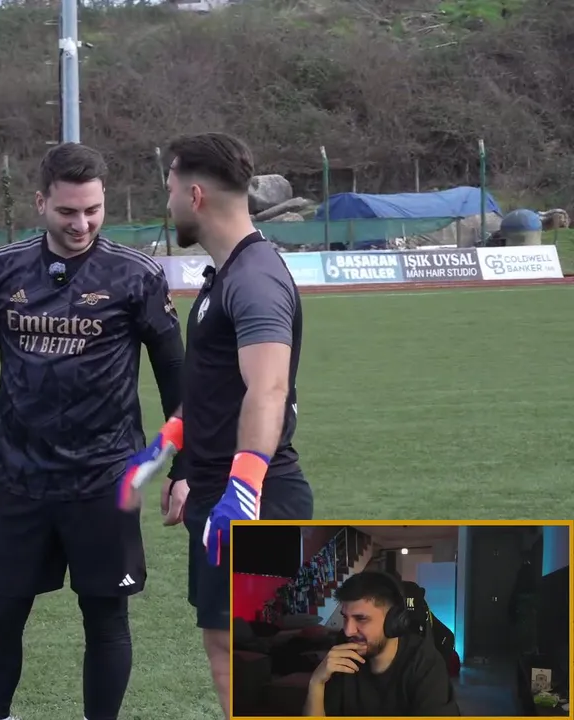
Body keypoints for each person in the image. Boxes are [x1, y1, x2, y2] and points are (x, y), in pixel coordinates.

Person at [0, 142, 186, 720]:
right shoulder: (1, 269)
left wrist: (185, 466)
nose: (81, 224)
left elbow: (176, 375)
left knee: (106, 618)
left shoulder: (136, 275)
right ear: (40, 203)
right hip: (18, 477)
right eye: (67, 211)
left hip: (105, 478)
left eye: (93, 210)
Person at [118, 132, 314, 719]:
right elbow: (213, 391)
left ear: (196, 195)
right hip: (216, 495)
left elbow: (268, 387)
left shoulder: (254, 278)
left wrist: (244, 489)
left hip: (257, 498)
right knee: (227, 650)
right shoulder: (224, 277)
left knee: (259, 658)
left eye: (171, 189)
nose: (168, 202)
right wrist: (166, 446)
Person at [305, 571, 460, 716]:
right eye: (345, 617)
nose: (348, 631)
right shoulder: (343, 653)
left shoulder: (425, 663)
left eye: (361, 618)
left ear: (394, 621)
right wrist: (316, 683)